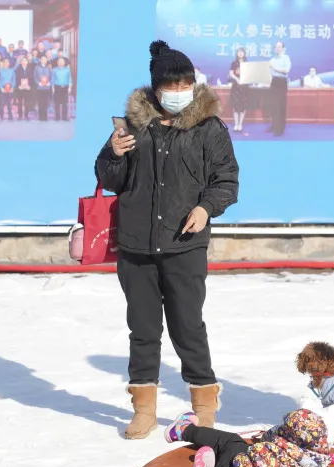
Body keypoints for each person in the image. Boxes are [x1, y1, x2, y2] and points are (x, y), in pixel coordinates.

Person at [95, 41, 239, 437]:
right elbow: (108, 179)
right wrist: (114, 154)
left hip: (185, 245)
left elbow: (226, 180)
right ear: (156, 89)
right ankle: (144, 407)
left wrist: (206, 208)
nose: (179, 91)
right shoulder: (131, 126)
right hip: (136, 246)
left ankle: (204, 401)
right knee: (143, 329)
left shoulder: (209, 129)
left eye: (186, 84)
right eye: (171, 85)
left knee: (187, 325)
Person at [164, 410, 334, 467]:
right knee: (242, 449)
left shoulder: (281, 444)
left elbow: (268, 436)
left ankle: (183, 430)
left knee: (232, 442)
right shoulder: (317, 460)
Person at [268, 41, 291, 136]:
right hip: (274, 82)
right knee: (273, 105)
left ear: (283, 48)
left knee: (280, 106)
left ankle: (280, 129)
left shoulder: (285, 58)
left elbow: (286, 71)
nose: (277, 49)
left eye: (279, 47)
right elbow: (269, 73)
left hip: (281, 82)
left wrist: (274, 67)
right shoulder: (272, 59)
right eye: (276, 47)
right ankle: (274, 126)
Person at [227, 46, 249, 132]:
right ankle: (236, 124)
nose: (240, 53)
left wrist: (243, 80)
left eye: (242, 52)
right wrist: (237, 79)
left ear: (244, 54)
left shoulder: (247, 63)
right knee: (235, 106)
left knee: (243, 106)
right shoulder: (234, 63)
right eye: (239, 52)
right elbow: (231, 73)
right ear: (237, 54)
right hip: (236, 86)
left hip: (244, 87)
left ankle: (240, 124)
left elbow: (250, 74)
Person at [51, 55, 72, 121]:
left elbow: (70, 79)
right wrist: (53, 87)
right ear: (57, 63)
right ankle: (57, 116)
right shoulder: (54, 70)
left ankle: (64, 117)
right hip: (57, 87)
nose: (61, 63)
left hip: (65, 87)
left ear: (64, 63)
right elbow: (52, 79)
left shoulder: (67, 70)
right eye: (59, 61)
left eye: (62, 61)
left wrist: (70, 87)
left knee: (65, 103)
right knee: (56, 103)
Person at [34, 54, 52, 120]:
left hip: (47, 88)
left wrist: (49, 83)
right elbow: (35, 77)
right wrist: (38, 83)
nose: (43, 60)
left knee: (45, 102)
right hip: (39, 88)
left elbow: (51, 77)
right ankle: (40, 116)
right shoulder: (37, 67)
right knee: (40, 102)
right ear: (40, 60)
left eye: (45, 59)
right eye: (42, 59)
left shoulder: (48, 68)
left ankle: (45, 116)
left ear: (46, 60)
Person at [15, 55, 33, 120]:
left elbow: (31, 79)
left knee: (27, 102)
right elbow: (16, 78)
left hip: (27, 88)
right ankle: (20, 116)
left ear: (27, 62)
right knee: (19, 102)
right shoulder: (18, 69)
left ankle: (26, 115)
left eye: (25, 60)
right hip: (20, 88)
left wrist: (29, 86)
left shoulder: (30, 69)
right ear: (20, 62)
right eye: (23, 60)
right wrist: (18, 86)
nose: (24, 62)